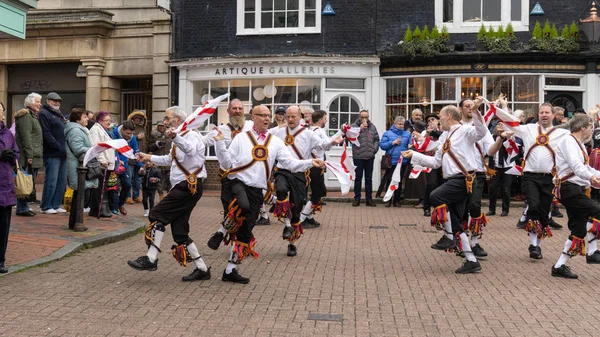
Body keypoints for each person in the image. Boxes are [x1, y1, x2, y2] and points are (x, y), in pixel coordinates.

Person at [208, 105, 325, 283]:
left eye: (267, 116)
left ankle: (230, 270)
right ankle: (221, 231)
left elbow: (291, 164)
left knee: (246, 230)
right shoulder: (241, 138)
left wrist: (310, 162)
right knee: (244, 207)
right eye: (261, 115)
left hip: (257, 189)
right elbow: (226, 164)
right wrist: (218, 142)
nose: (265, 119)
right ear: (252, 117)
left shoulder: (276, 142)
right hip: (239, 183)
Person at [127, 106, 211, 283]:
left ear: (178, 119)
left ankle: (151, 258)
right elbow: (168, 160)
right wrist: (147, 157)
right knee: (180, 231)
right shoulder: (178, 138)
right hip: (182, 186)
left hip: (189, 186)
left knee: (156, 214)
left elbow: (190, 150)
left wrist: (176, 137)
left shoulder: (192, 136)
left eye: (168, 118)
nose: (164, 122)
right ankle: (202, 268)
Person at [402, 105, 488, 274]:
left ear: (448, 116)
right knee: (457, 223)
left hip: (464, 179)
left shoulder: (465, 131)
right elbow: (435, 162)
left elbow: (481, 132)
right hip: (454, 179)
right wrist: (415, 155)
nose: (438, 120)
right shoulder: (444, 137)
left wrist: (477, 112)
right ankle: (471, 261)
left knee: (435, 196)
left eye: (440, 116)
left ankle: (449, 237)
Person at [501, 100, 570, 260]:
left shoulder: (562, 134)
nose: (544, 115)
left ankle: (537, 246)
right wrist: (503, 108)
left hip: (549, 178)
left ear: (554, 115)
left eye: (547, 112)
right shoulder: (528, 130)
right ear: (538, 115)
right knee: (533, 205)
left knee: (544, 212)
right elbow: (511, 123)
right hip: (530, 176)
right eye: (542, 112)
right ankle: (533, 245)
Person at [270, 106, 342, 257]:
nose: (290, 119)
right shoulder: (278, 132)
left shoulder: (308, 134)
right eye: (287, 117)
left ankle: (292, 243)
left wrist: (333, 142)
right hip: (282, 171)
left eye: (293, 117)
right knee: (281, 190)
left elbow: (322, 145)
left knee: (296, 208)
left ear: (300, 117)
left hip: (300, 173)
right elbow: (262, 138)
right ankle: (287, 225)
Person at [551, 113, 600, 279]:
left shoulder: (577, 144)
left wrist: (596, 175)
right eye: (591, 127)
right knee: (597, 210)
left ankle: (559, 266)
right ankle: (592, 251)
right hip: (568, 188)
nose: (593, 130)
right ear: (583, 127)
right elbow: (577, 166)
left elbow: (585, 168)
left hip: (575, 188)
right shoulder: (568, 141)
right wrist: (591, 178)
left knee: (578, 229)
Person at [65, 108, 101, 230]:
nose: (87, 119)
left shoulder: (80, 129)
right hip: (77, 166)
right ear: (77, 119)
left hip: (81, 166)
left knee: (79, 194)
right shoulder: (75, 130)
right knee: (79, 194)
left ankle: (74, 222)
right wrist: (95, 149)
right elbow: (78, 148)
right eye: (85, 117)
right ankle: (76, 223)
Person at [14, 93, 44, 217]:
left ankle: (24, 206)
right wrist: (29, 155)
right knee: (25, 181)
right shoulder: (26, 116)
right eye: (37, 102)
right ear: (30, 103)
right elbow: (26, 137)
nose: (40, 104)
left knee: (29, 181)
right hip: (28, 155)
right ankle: (21, 207)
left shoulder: (33, 116)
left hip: (35, 154)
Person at [38, 92, 67, 214]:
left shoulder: (59, 114)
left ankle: (55, 204)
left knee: (61, 180)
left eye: (58, 101)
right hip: (52, 153)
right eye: (54, 100)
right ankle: (46, 206)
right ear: (47, 101)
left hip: (63, 152)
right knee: (52, 179)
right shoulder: (44, 114)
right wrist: (57, 146)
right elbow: (46, 133)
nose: (56, 103)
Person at [300, 109, 330, 227]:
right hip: (316, 166)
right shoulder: (320, 131)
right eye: (325, 118)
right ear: (321, 119)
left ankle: (309, 217)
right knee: (317, 193)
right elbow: (328, 145)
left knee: (315, 191)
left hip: (309, 165)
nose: (326, 120)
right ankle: (302, 219)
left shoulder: (309, 130)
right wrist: (341, 133)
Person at [0, 105, 19, 273]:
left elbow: (16, 152)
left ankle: (1, 260)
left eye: (1, 111)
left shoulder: (7, 133)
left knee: (3, 226)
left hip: (5, 185)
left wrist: (13, 156)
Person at [378, 116, 410, 207]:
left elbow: (410, 144)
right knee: (390, 180)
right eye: (399, 124)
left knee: (399, 181)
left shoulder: (407, 134)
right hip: (391, 161)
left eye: (402, 124)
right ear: (395, 124)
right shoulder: (387, 133)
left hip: (402, 161)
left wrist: (410, 146)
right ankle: (388, 199)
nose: (401, 126)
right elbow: (382, 146)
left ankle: (397, 200)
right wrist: (392, 143)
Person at [89, 111, 116, 218]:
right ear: (100, 120)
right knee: (100, 187)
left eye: (110, 120)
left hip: (108, 163)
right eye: (107, 120)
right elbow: (96, 146)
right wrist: (102, 160)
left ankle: (95, 209)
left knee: (101, 187)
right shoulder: (96, 130)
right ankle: (98, 209)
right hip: (102, 163)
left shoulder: (104, 130)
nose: (109, 122)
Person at [351, 109, 380, 207]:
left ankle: (369, 199)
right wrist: (359, 129)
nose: (364, 119)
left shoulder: (372, 127)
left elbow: (376, 139)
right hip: (358, 156)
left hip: (369, 156)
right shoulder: (354, 126)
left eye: (366, 117)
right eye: (362, 117)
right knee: (358, 178)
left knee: (369, 179)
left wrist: (374, 149)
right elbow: (350, 138)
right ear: (359, 117)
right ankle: (357, 199)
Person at [112, 121, 141, 215]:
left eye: (131, 133)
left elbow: (136, 151)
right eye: (127, 133)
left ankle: (120, 204)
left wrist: (140, 166)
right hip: (114, 164)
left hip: (125, 165)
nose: (129, 135)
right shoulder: (114, 134)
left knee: (128, 185)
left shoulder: (132, 138)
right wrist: (116, 161)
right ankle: (115, 207)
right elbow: (112, 150)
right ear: (122, 130)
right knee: (114, 186)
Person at [126, 110, 147, 204]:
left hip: (140, 156)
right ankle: (128, 196)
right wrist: (136, 136)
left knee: (138, 178)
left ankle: (136, 195)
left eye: (139, 118)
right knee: (129, 177)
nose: (138, 120)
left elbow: (145, 142)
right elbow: (127, 137)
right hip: (130, 156)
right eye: (136, 118)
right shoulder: (129, 127)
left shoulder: (142, 128)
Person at [147, 121, 172, 200]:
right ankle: (161, 195)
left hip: (168, 161)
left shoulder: (169, 135)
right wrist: (156, 145)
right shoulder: (154, 135)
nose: (161, 127)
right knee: (159, 181)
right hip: (158, 160)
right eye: (160, 126)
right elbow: (149, 147)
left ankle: (169, 196)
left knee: (170, 180)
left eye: (163, 126)